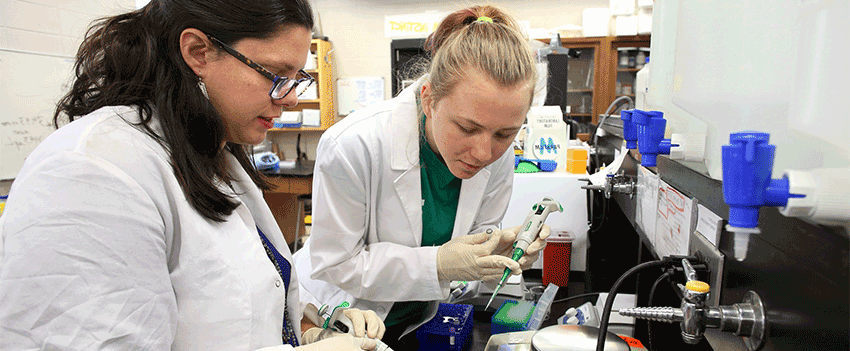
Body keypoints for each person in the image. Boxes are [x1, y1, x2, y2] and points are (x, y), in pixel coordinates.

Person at [0, 0, 385, 350]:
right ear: (198, 52)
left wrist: (311, 324)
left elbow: (228, 301)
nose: (290, 98)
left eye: (297, 77)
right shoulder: (90, 173)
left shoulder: (207, 151)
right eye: (275, 73)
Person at [293, 4, 550, 348]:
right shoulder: (353, 144)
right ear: (429, 100)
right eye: (467, 128)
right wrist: (439, 264)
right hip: (339, 318)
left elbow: (464, 272)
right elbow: (338, 264)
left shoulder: (497, 159)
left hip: (418, 323)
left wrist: (493, 255)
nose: (484, 153)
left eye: (505, 134)